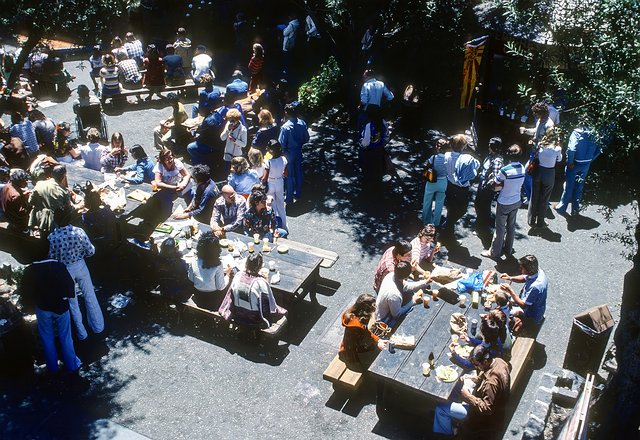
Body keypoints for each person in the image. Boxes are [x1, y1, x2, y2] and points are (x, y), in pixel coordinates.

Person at [48, 208, 105, 341]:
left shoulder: (52, 237)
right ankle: (98, 327)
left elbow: (52, 258)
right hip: (80, 265)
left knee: (72, 302)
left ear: (56, 220)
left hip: (65, 270)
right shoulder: (79, 231)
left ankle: (82, 333)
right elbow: (91, 251)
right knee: (90, 295)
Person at [18, 257, 81, 374]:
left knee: (47, 337)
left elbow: (25, 293)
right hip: (61, 306)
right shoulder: (59, 266)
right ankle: (72, 365)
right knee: (66, 336)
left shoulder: (30, 270)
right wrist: (66, 296)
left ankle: (52, 368)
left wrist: (30, 307)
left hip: (43, 308)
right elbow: (70, 286)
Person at [433, 345, 511, 437]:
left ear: (485, 361)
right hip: (498, 405)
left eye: (477, 365)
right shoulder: (498, 361)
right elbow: (488, 374)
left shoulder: (491, 384)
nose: (476, 367)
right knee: (465, 384)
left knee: (441, 408)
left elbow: (487, 409)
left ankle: (448, 434)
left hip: (483, 418)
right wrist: (475, 378)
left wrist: (468, 396)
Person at [481, 144, 525, 260]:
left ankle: (495, 252)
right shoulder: (522, 167)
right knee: (511, 226)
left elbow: (495, 182)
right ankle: (508, 249)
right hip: (516, 200)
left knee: (500, 227)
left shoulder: (505, 170)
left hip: (505, 201)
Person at [222, 253, 286, 328]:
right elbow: (268, 303)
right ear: (260, 267)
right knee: (283, 311)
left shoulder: (238, 275)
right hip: (255, 318)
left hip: (238, 314)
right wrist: (266, 281)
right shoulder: (260, 282)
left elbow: (230, 296)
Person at [554, 127, 602, 217]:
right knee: (579, 187)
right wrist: (590, 160)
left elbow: (572, 149)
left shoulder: (577, 132)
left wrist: (570, 161)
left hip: (575, 163)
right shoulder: (595, 132)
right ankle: (575, 210)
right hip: (586, 164)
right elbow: (599, 150)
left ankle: (562, 207)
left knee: (569, 186)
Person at [442, 134, 480, 241]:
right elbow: (476, 168)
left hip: (449, 186)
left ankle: (448, 228)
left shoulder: (447, 155)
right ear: (463, 146)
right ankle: (448, 231)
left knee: (451, 208)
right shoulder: (467, 158)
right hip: (461, 189)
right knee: (461, 210)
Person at [499, 254, 548, 336]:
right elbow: (525, 277)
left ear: (528, 270)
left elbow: (523, 305)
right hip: (533, 305)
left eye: (522, 268)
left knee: (504, 317)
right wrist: (510, 278)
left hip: (532, 316)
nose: (519, 269)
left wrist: (510, 291)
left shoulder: (535, 287)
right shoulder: (537, 271)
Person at [339, 293, 388, 366]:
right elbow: (366, 339)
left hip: (347, 347)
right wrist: (378, 342)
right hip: (353, 355)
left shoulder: (353, 314)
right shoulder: (358, 326)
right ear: (367, 308)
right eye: (374, 305)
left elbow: (366, 333)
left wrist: (378, 340)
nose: (375, 306)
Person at [188, 230, 233, 310]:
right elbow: (221, 287)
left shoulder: (194, 261)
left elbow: (191, 278)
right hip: (213, 299)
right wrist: (228, 274)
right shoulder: (218, 265)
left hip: (198, 295)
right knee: (231, 281)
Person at [520, 102, 555, 203]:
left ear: (542, 113)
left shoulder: (549, 125)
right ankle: (532, 198)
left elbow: (550, 143)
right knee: (530, 175)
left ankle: (532, 199)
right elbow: (536, 131)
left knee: (528, 174)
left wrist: (537, 144)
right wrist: (526, 130)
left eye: (537, 113)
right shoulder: (540, 120)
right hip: (534, 152)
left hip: (539, 155)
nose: (535, 115)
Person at [528, 128, 562, 229]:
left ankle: (531, 219)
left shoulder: (540, 145)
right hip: (549, 173)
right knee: (544, 198)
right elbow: (559, 160)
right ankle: (540, 222)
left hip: (538, 171)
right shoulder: (557, 149)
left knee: (534, 196)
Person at [376, 261, 427, 326]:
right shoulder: (394, 295)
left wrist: (425, 282)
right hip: (383, 319)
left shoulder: (391, 275)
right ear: (407, 275)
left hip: (383, 307)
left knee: (409, 293)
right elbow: (397, 315)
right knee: (410, 310)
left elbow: (407, 286)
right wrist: (413, 301)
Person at [28, 165, 74, 236]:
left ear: (52, 174)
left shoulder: (39, 184)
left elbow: (30, 202)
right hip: (55, 223)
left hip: (39, 220)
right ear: (63, 177)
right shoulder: (64, 191)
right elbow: (69, 209)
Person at [279, 103, 309, 203]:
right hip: (298, 151)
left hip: (288, 153)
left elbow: (282, 143)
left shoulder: (285, 127)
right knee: (298, 172)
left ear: (286, 113)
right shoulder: (302, 123)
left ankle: (289, 197)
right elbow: (306, 138)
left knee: (289, 175)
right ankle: (298, 193)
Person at [474, 137, 504, 233]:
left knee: (484, 206)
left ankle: (483, 227)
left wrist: (487, 184)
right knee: (478, 204)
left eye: (489, 145)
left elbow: (496, 177)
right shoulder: (490, 155)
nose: (488, 146)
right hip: (482, 183)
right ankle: (480, 222)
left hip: (487, 187)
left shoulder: (497, 161)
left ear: (492, 147)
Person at [359, 105, 389, 192]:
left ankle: (369, 191)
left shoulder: (369, 125)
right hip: (379, 151)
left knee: (369, 170)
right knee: (378, 169)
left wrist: (361, 143)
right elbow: (386, 136)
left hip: (369, 152)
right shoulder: (383, 122)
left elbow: (365, 142)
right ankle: (378, 188)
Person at [422, 137, 448, 226]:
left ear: (437, 147)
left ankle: (426, 221)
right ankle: (436, 223)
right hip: (443, 182)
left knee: (427, 201)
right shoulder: (448, 159)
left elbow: (427, 166)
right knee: (439, 203)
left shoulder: (433, 158)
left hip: (432, 181)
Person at [156, 237, 191, 303]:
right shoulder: (180, 263)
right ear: (175, 249)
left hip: (164, 288)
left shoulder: (158, 260)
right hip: (178, 290)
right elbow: (187, 276)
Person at [263, 140, 288, 229]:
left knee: (272, 206)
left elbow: (264, 178)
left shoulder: (268, 162)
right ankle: (284, 226)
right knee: (281, 205)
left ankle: (274, 226)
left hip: (271, 183)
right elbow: (286, 173)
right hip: (280, 182)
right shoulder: (284, 159)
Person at [220, 108, 247, 175]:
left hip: (237, 155)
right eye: (229, 120)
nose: (231, 122)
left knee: (236, 173)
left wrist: (235, 140)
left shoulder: (243, 130)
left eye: (232, 120)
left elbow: (244, 144)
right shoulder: (228, 124)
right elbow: (222, 138)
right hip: (227, 154)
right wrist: (227, 130)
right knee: (227, 172)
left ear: (237, 120)